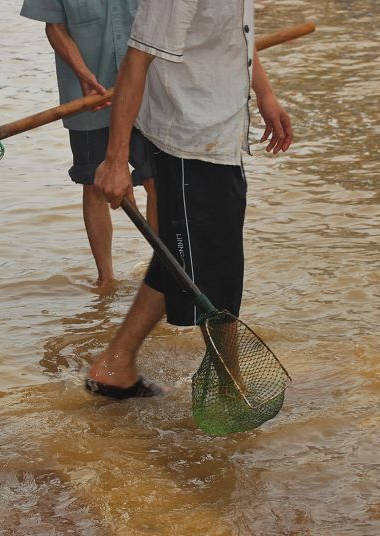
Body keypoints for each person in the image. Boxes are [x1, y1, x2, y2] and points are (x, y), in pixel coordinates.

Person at [86, 0, 293, 398]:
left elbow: (235, 34)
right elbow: (136, 61)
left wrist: (265, 93)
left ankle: (115, 364)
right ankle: (230, 389)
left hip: (221, 128)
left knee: (185, 257)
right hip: (189, 139)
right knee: (219, 268)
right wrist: (115, 161)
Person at [20, 0, 157, 292]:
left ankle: (164, 271)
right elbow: (55, 27)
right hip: (89, 97)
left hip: (146, 89)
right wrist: (82, 72)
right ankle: (106, 279)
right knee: (94, 184)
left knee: (156, 178)